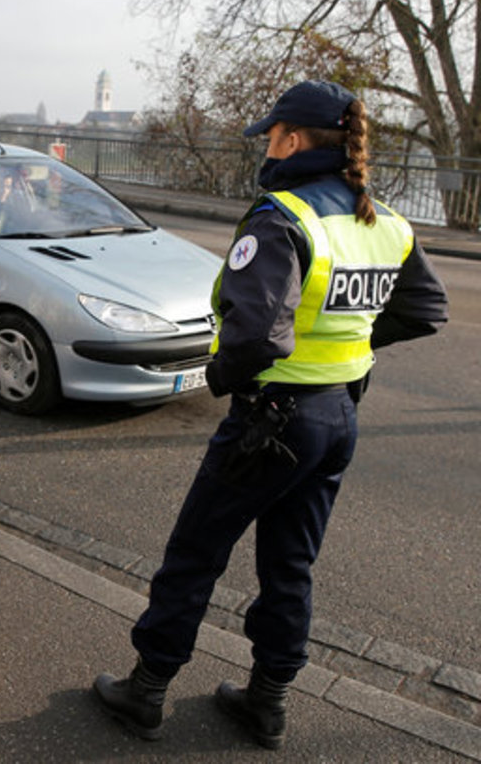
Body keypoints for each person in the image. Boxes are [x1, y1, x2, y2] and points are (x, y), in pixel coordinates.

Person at [93, 80, 448, 749]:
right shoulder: (385, 221)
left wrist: (222, 377)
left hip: (273, 418)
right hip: (338, 416)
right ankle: (268, 700)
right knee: (290, 564)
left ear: (291, 139)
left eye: (271, 134)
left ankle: (145, 692)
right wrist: (354, 342)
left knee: (195, 555)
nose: (268, 144)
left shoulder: (283, 215)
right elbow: (426, 309)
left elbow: (258, 335)